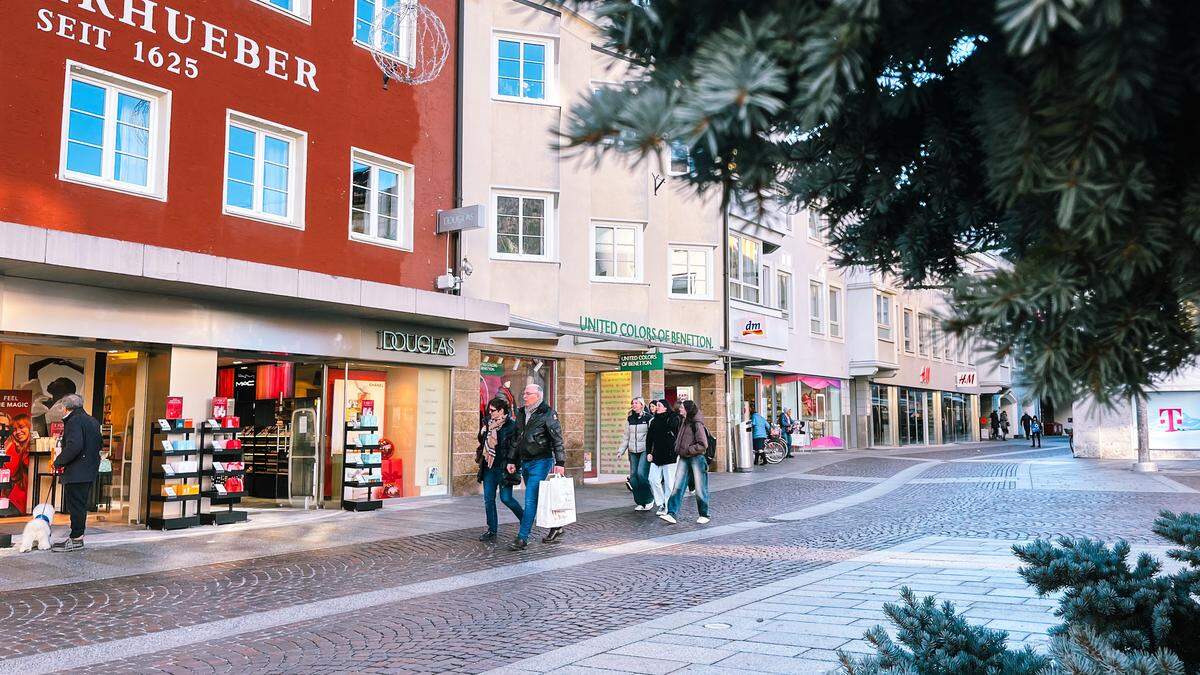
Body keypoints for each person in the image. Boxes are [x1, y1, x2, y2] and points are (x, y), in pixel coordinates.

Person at [506, 383, 566, 551]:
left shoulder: (547, 413)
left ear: (538, 396)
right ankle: (556, 526)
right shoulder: (520, 412)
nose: (524, 396)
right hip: (525, 461)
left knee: (530, 499)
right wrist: (512, 460)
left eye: (528, 393)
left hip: (541, 461)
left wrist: (560, 463)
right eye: (524, 393)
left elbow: (557, 439)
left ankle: (522, 538)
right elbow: (516, 439)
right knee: (538, 498)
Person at [51, 394, 101, 552]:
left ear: (66, 408)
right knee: (80, 504)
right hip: (89, 469)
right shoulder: (92, 420)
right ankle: (76, 537)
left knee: (76, 505)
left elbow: (74, 445)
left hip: (77, 470)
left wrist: (58, 461)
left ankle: (76, 539)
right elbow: (99, 443)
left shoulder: (74, 421)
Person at [476, 397, 522, 542]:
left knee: (506, 498)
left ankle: (525, 520)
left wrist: (512, 463)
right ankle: (492, 530)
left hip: (503, 467)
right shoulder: (487, 424)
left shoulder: (511, 425)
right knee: (488, 499)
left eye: (492, 411)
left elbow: (515, 447)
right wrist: (483, 432)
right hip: (489, 467)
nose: (490, 413)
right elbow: (482, 443)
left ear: (501, 411)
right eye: (489, 410)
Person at [660, 400, 710, 525]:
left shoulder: (696, 424)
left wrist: (688, 450)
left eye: (682, 408)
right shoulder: (684, 421)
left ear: (687, 410)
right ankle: (672, 513)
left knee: (700, 487)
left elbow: (703, 444)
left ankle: (704, 514)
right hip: (684, 457)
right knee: (678, 485)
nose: (680, 409)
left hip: (696, 458)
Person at [618, 397, 654, 511]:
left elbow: (652, 436)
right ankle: (640, 502)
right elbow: (626, 437)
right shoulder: (630, 419)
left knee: (641, 475)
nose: (634, 405)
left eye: (636, 403)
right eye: (632, 403)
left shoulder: (648, 418)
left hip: (644, 450)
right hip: (633, 451)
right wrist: (621, 451)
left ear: (642, 405)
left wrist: (652, 451)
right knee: (633, 477)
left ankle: (649, 499)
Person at [645, 400, 680, 516]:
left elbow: (676, 430)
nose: (656, 408)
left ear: (665, 408)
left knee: (669, 483)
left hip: (670, 455)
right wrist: (649, 452)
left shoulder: (672, 418)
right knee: (652, 479)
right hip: (657, 455)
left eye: (659, 406)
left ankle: (668, 505)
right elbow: (649, 438)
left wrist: (672, 415)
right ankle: (661, 503)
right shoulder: (653, 421)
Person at [2, 414, 32, 515]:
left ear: (29, 427)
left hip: (18, 502)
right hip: (12, 499)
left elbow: (11, 469)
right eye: (14, 429)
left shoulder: (29, 448)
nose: (18, 432)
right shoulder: (16, 446)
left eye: (21, 427)